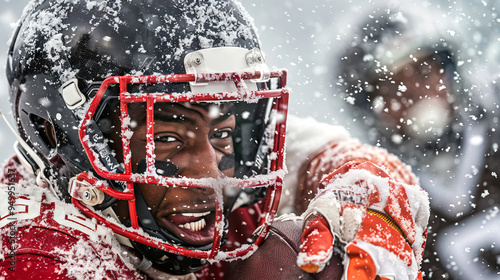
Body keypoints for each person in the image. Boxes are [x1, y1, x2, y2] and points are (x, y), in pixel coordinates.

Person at [0, 0, 429, 279]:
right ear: (54, 134)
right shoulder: (36, 259)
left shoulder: (160, 181)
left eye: (222, 132)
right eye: (167, 137)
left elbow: (324, 150)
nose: (213, 172)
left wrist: (369, 191)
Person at [334, 5, 500, 279]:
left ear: (448, 71)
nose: (415, 94)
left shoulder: (493, 124)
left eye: (423, 73)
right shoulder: (382, 202)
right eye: (391, 88)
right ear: (373, 112)